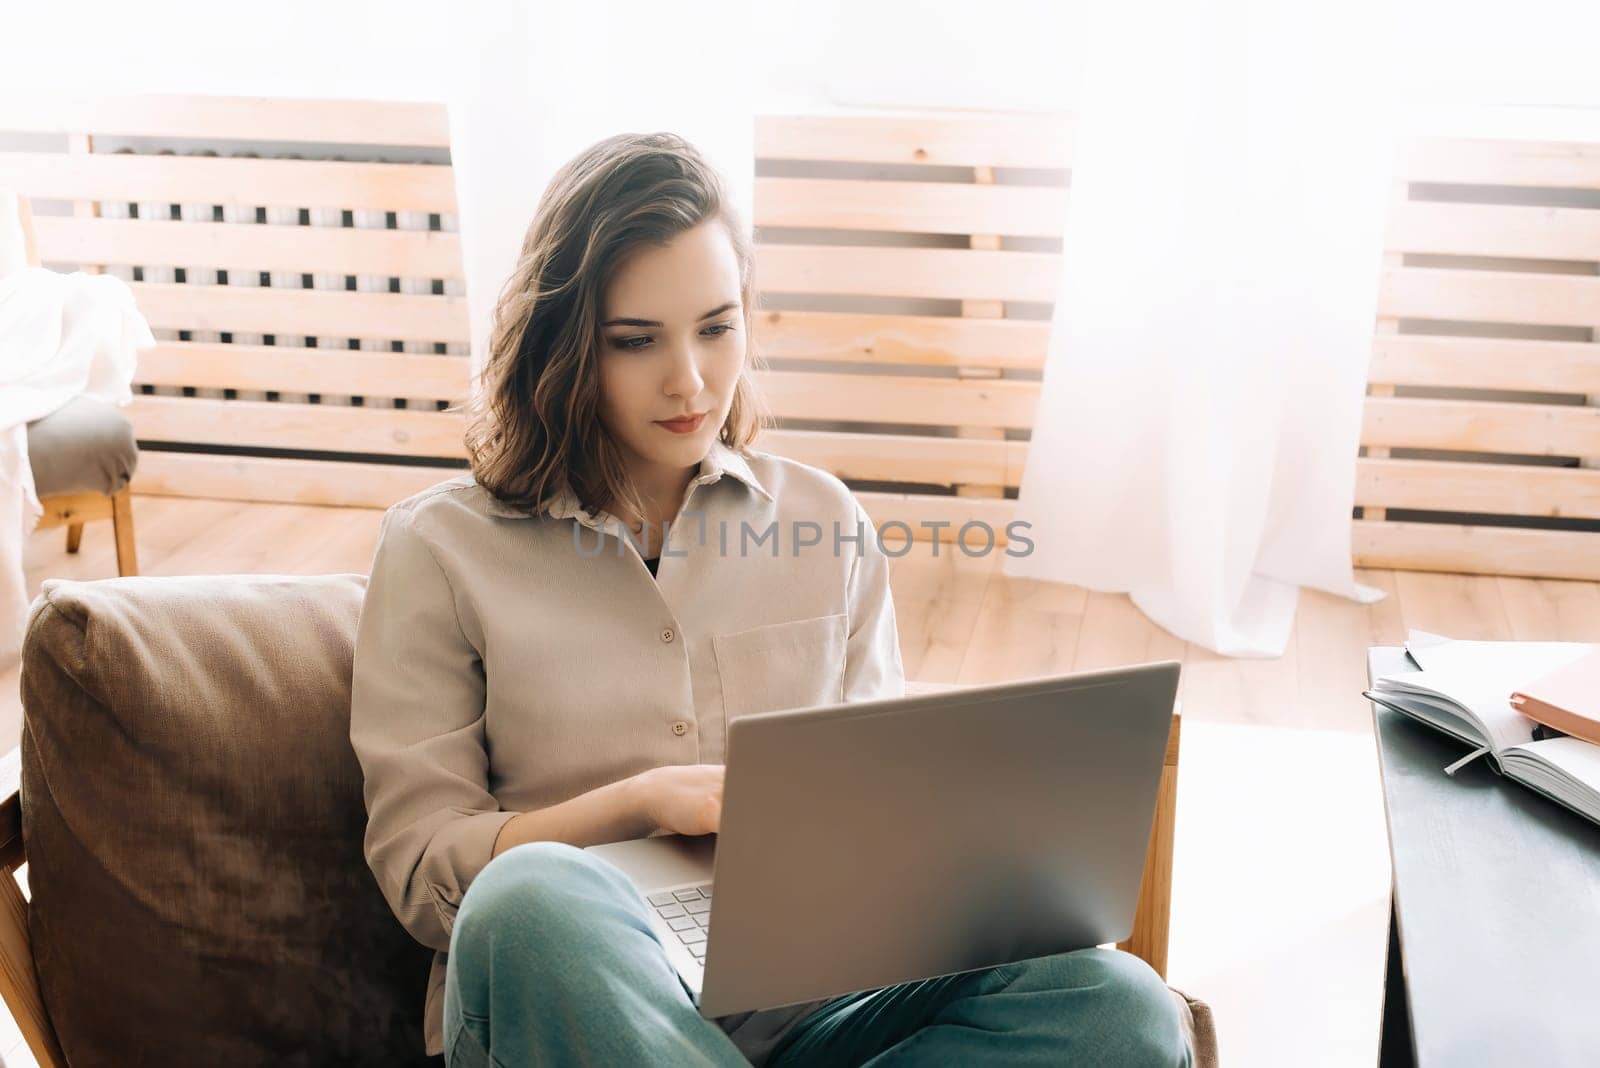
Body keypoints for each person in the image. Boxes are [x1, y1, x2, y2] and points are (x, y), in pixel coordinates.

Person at [349, 131, 1191, 1067]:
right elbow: (424, 873)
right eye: (636, 341)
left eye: (717, 327)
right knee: (530, 899)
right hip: (577, 1003)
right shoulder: (439, 548)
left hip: (815, 1012)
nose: (691, 380)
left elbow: (885, 825)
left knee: (1117, 1001)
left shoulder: (825, 522)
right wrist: (640, 803)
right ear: (563, 344)